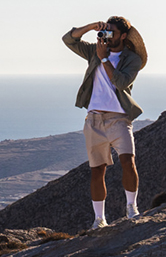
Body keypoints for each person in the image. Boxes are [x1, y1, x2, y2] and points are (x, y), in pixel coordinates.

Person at [62, 16, 147, 229]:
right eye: (105, 31)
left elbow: (121, 82)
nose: (107, 36)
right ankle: (99, 219)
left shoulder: (131, 59)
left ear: (123, 36)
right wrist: (91, 26)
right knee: (97, 170)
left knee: (128, 161)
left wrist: (104, 59)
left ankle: (131, 208)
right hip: (94, 119)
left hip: (118, 118)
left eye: (112, 32)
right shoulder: (95, 51)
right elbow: (68, 39)